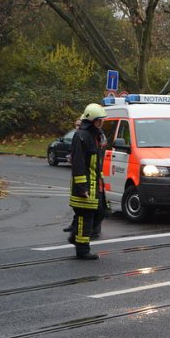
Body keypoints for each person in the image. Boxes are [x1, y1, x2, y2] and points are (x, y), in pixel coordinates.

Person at [69, 103, 107, 260]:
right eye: (99, 120)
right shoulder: (81, 136)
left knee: (100, 213)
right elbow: (78, 164)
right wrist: (82, 187)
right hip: (84, 186)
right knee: (85, 217)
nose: (102, 123)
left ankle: (75, 237)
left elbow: (98, 162)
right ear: (91, 119)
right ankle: (82, 249)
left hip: (95, 184)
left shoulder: (96, 135)